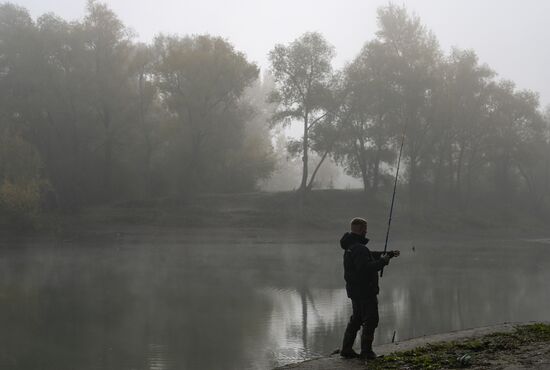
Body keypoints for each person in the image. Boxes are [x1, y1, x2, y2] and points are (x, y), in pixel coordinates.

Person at [339, 217, 400, 360]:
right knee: (371, 319)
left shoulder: (351, 246)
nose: (366, 231)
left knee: (357, 318)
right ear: (360, 230)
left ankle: (346, 349)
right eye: (365, 228)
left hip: (355, 291)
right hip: (365, 291)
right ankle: (366, 352)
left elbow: (369, 255)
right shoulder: (359, 248)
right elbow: (365, 268)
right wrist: (383, 262)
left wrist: (388, 254)